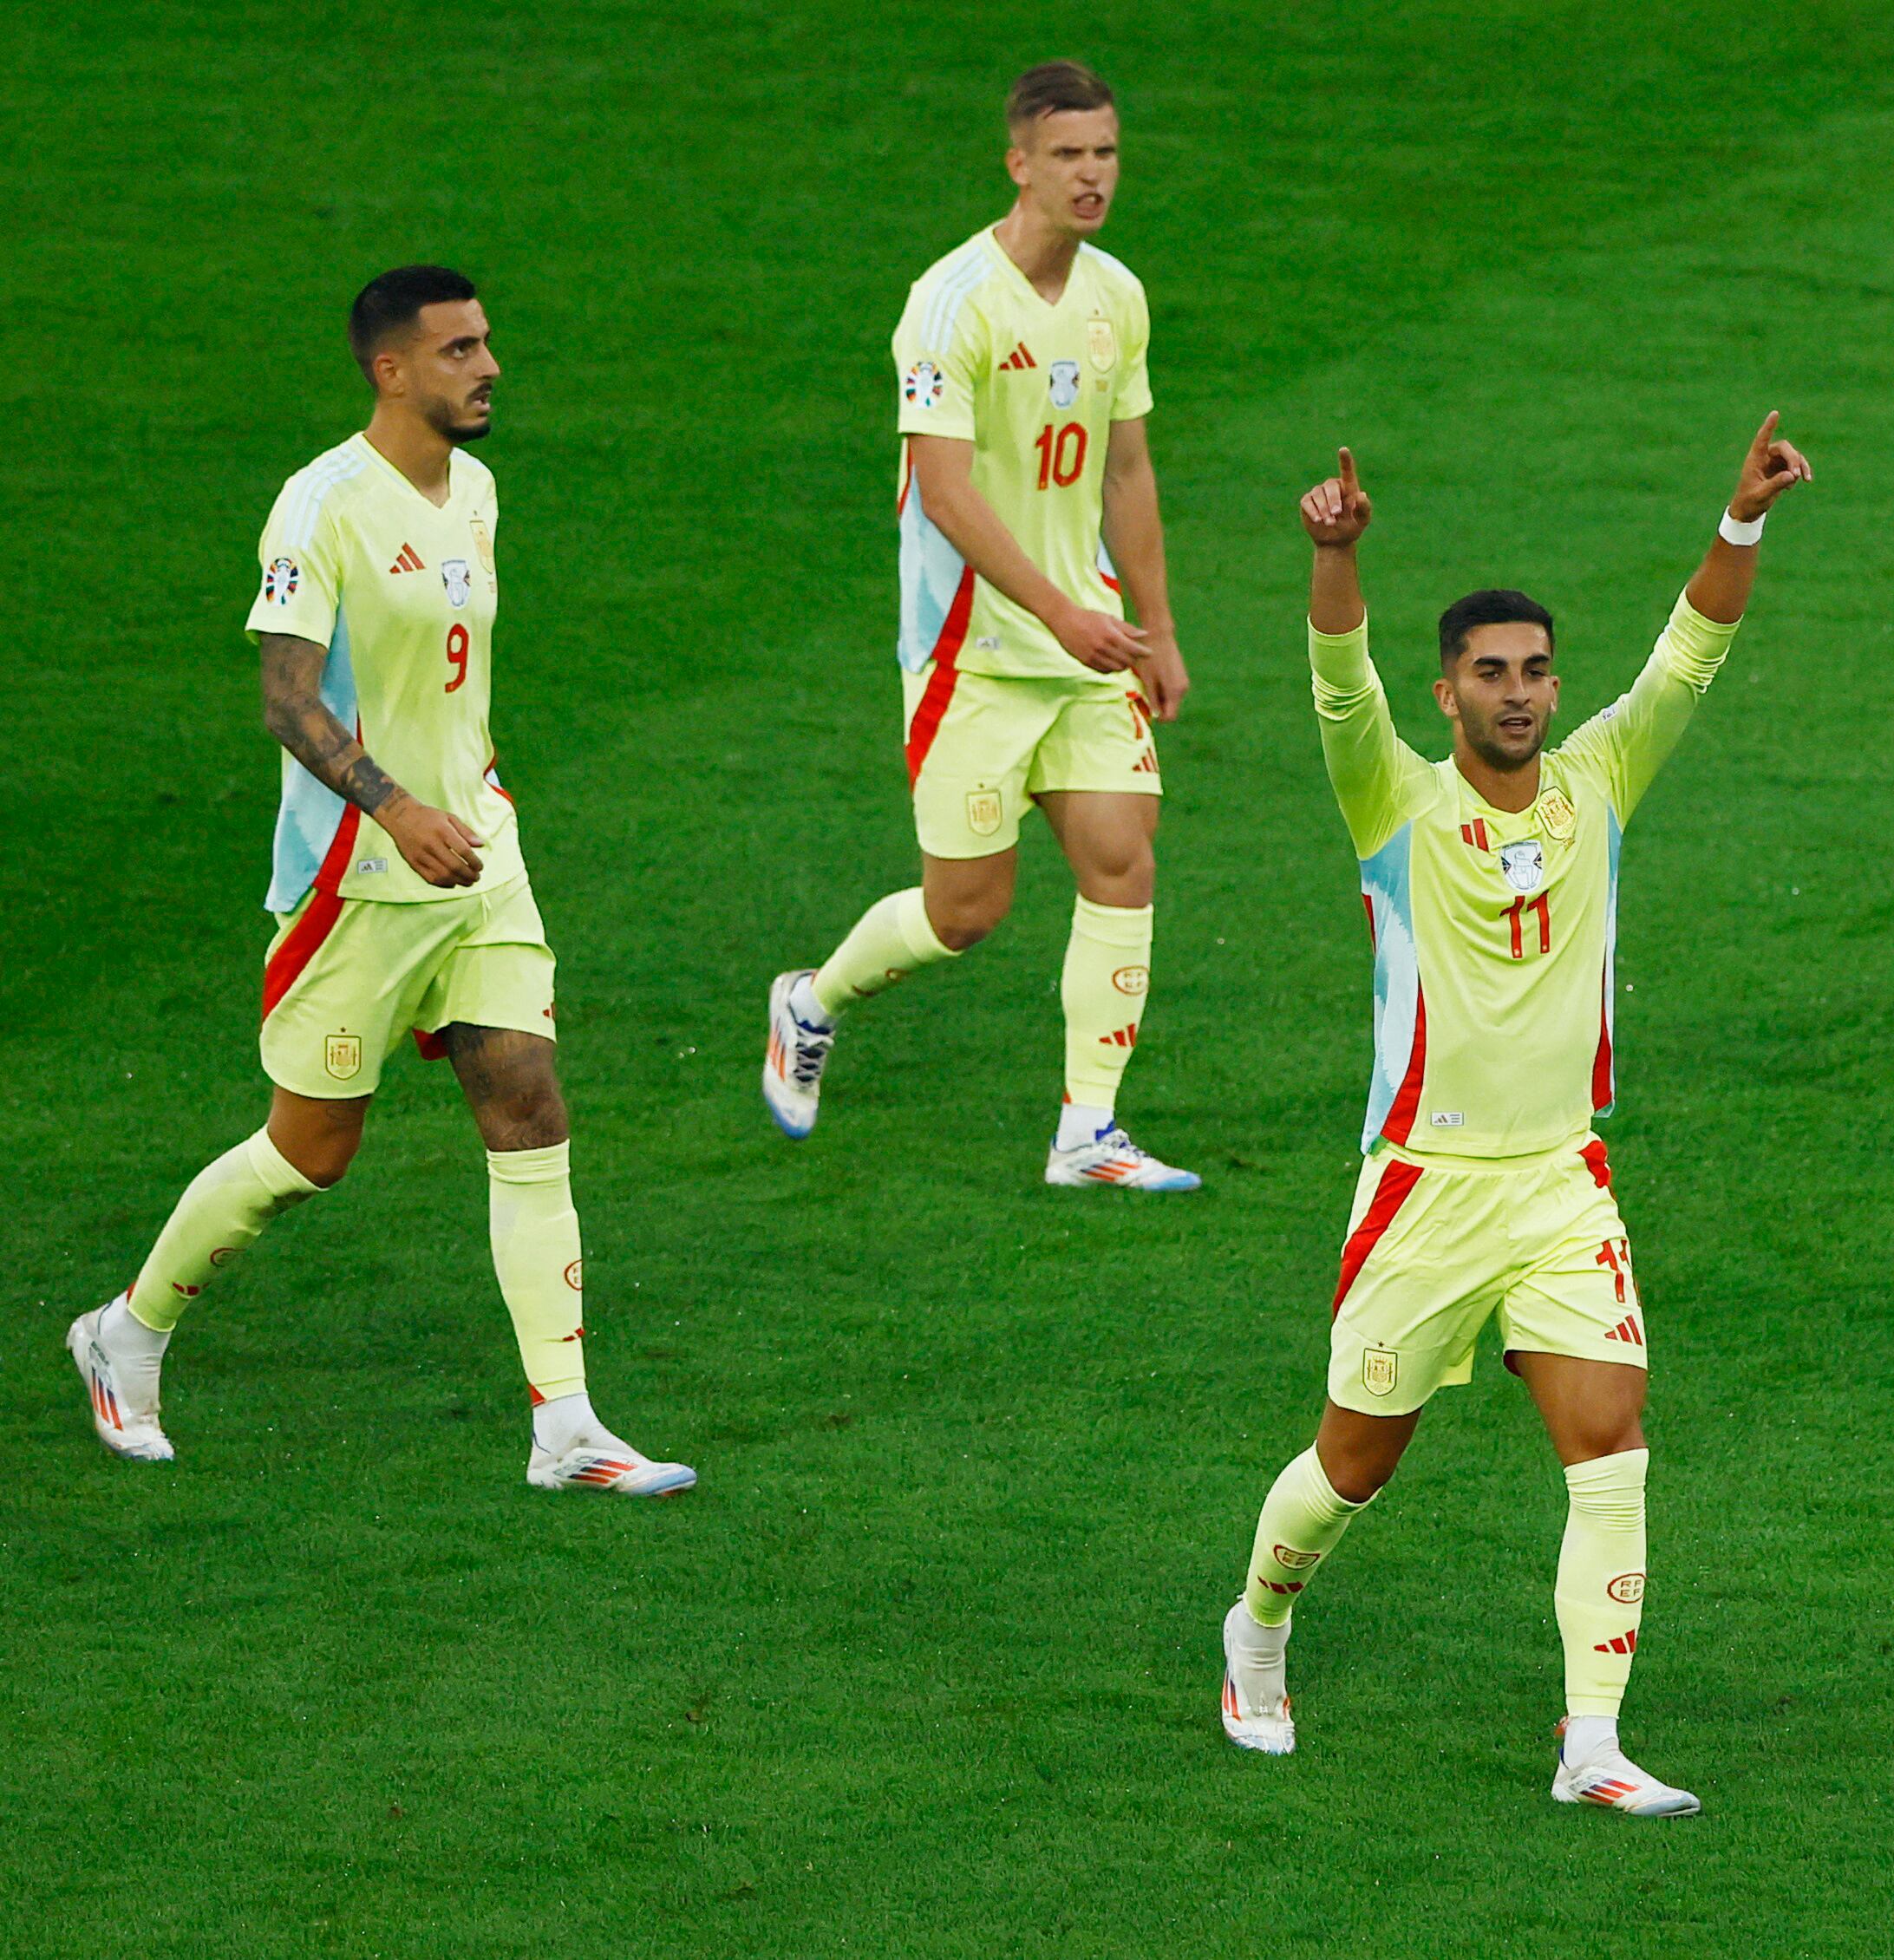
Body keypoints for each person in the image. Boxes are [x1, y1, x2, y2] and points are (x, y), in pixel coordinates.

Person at [1217, 418, 1812, 1813]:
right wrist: (1334, 559)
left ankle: (1590, 1745)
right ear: (1446, 693)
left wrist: (1740, 520)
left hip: (1560, 1183)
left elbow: (1689, 658)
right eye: (1494, 673)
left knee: (1611, 1442)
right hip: (1424, 1188)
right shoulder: (1395, 804)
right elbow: (1337, 692)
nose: (1524, 693)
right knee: (1352, 1465)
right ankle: (1257, 1628)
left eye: (1539, 670)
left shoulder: (1602, 781)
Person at [66, 266, 695, 1496]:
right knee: (308, 1152)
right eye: (459, 350)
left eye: (489, 343)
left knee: (529, 1111)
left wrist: (466, 800)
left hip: (477, 858)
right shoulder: (320, 510)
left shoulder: (481, 492)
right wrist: (395, 806)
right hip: (359, 876)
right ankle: (126, 1331)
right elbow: (286, 701)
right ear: (390, 369)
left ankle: (564, 1423)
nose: (489, 366)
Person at [763, 60, 1198, 1191]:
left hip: (1090, 643)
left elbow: (1129, 468)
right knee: (966, 912)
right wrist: (1062, 614)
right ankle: (810, 1003)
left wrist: (1155, 625)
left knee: (1123, 860)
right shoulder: (952, 302)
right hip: (978, 657)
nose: (1093, 174)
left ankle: (1087, 1133)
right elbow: (945, 493)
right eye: (1068, 155)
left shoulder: (1118, 296)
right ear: (1019, 164)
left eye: (1105, 152)